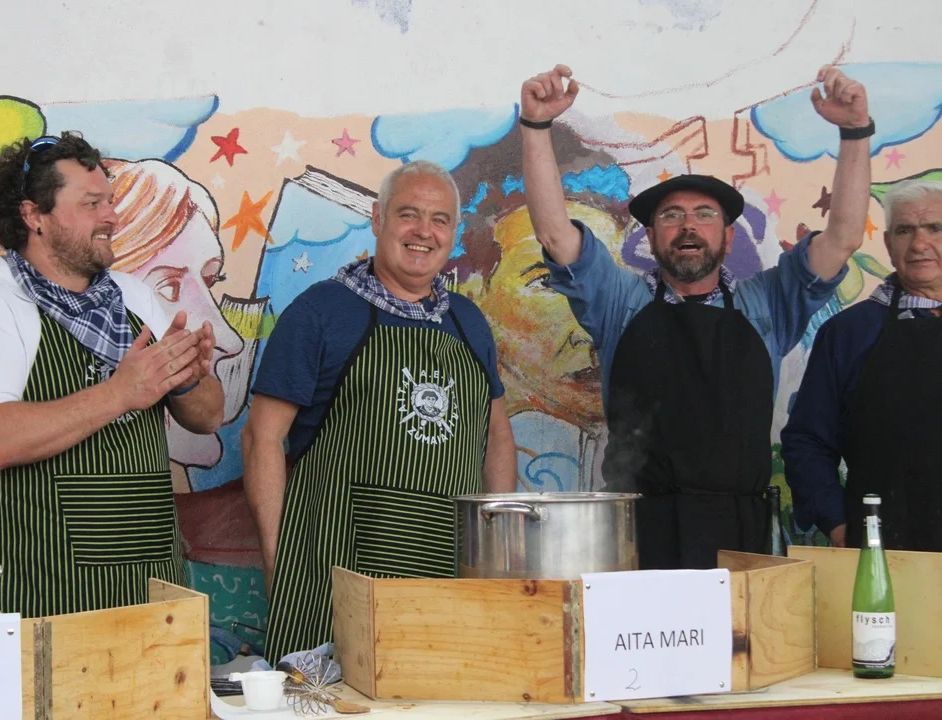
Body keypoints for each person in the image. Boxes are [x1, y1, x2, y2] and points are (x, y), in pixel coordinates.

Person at [520, 64, 873, 570]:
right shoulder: (620, 302)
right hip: (638, 534)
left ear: (728, 236)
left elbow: (842, 239)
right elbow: (555, 234)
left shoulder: (767, 304)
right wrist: (536, 126)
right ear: (651, 237)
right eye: (671, 216)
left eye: (705, 214)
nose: (688, 226)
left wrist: (854, 132)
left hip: (741, 538)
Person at [0, 132, 227, 617]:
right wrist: (120, 393)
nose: (111, 217)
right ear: (34, 216)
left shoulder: (136, 298)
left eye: (109, 202)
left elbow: (209, 417)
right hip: (42, 587)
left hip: (150, 577)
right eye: (92, 204)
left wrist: (189, 378)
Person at [242, 160, 518, 662]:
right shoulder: (321, 311)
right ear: (377, 218)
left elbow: (496, 437)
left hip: (444, 572)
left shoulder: (469, 322)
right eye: (408, 214)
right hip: (334, 574)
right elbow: (261, 437)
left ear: (454, 232)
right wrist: (279, 564)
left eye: (439, 220)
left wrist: (494, 555)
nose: (424, 231)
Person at [783, 179, 942, 552]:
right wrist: (839, 524)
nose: (919, 244)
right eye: (904, 230)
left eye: (935, 228)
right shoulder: (849, 332)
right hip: (882, 547)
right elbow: (807, 440)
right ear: (887, 243)